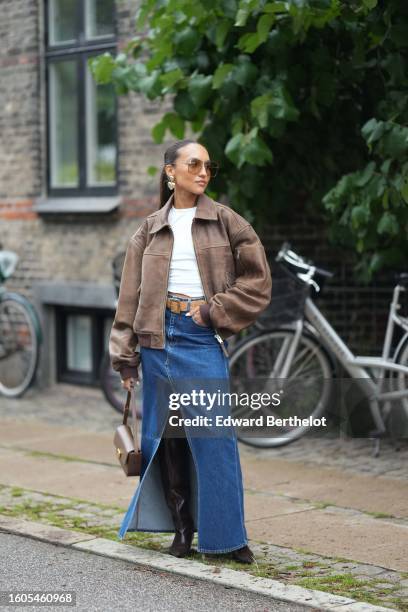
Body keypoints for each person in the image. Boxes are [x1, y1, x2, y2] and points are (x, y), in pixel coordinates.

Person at [109, 138, 272, 564]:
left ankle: (228, 537)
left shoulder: (226, 221)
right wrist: (125, 358)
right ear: (170, 171)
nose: (202, 172)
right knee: (168, 441)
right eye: (193, 164)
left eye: (207, 166)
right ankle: (182, 530)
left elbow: (258, 282)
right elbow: (128, 299)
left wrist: (214, 310)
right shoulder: (148, 229)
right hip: (155, 341)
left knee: (214, 439)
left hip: (199, 338)